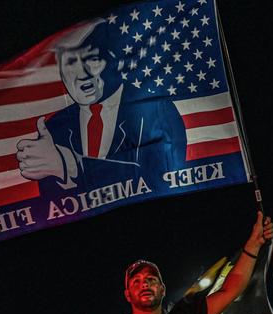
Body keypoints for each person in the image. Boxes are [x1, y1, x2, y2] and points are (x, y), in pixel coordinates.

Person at [16, 18, 187, 192]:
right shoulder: (54, 130)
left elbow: (164, 174)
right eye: (71, 62)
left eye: (93, 59)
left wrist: (72, 166)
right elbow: (53, 204)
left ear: (117, 61)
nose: (82, 74)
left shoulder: (155, 109)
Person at [94, 212, 273, 314]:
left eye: (151, 279)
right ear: (127, 295)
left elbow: (230, 290)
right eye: (136, 281)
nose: (145, 284)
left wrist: (253, 245)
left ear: (163, 289)